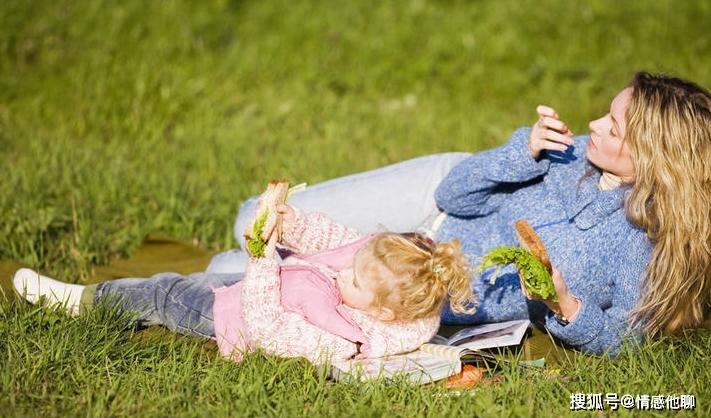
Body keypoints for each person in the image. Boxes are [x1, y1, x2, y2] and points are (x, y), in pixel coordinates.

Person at [212, 71, 711, 357]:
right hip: (430, 204)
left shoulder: (638, 246)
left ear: (654, 157)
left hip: (415, 280)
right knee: (247, 222)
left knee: (233, 278)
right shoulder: (570, 151)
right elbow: (456, 195)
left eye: (614, 127)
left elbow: (629, 338)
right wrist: (524, 154)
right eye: (608, 111)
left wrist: (566, 307)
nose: (593, 123)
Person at [12, 200, 476, 365]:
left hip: (237, 314)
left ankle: (79, 300)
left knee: (164, 293)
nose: (344, 271)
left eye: (353, 279)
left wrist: (261, 262)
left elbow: (267, 326)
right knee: (195, 277)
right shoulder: (389, 287)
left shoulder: (341, 338)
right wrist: (292, 226)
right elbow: (337, 240)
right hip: (273, 280)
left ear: (381, 314)